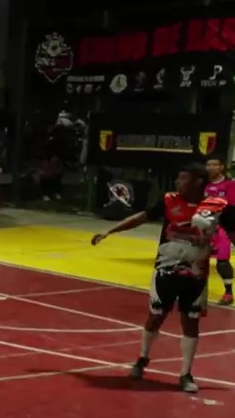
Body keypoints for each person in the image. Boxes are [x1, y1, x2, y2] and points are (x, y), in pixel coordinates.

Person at [92, 163, 235, 393]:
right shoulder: (169, 201)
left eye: (183, 178)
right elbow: (142, 217)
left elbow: (233, 233)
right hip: (166, 269)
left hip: (196, 273)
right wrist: (110, 231)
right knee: (156, 316)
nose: (178, 182)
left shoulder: (218, 206)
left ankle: (186, 374)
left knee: (191, 321)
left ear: (197, 182)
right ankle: (142, 359)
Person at [204, 159, 235, 305]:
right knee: (196, 259)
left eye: (215, 164)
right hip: (203, 226)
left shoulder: (229, 185)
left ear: (221, 167)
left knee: (222, 261)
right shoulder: (202, 184)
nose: (211, 167)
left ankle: (228, 293)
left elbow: (231, 206)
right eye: (208, 164)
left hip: (222, 227)